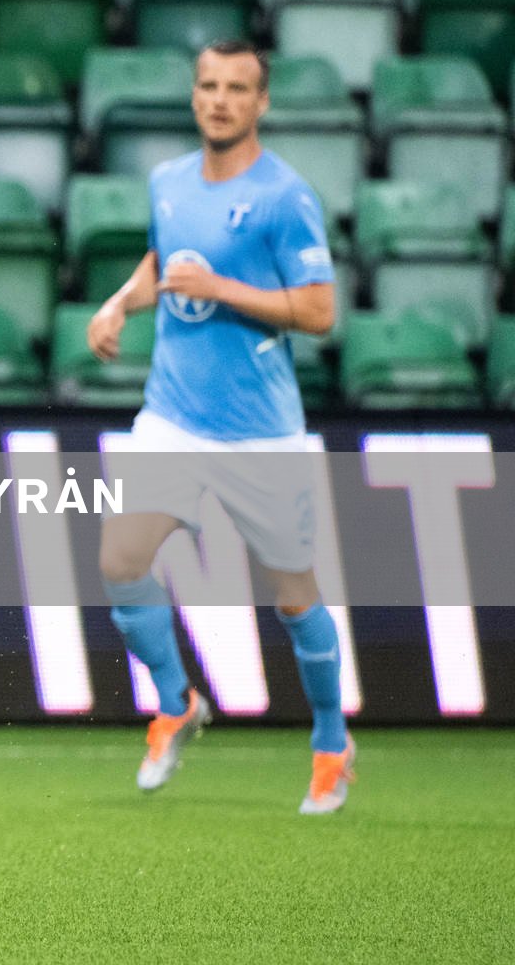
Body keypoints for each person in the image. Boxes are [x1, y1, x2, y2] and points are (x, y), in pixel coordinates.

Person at [86, 40, 353, 815]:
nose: (220, 100)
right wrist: (118, 303)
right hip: (173, 413)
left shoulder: (284, 196)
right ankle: (176, 703)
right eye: (208, 85)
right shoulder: (168, 181)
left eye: (238, 88)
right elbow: (163, 261)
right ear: (194, 94)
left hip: (259, 429)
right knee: (121, 559)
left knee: (295, 596)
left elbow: (319, 312)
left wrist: (223, 288)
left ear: (261, 102)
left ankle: (332, 743)